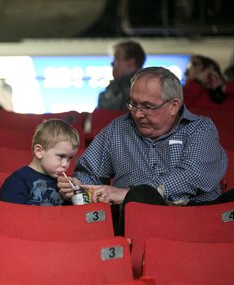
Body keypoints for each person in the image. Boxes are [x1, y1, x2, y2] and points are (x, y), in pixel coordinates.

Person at [59, 66, 232, 235]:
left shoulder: (200, 128)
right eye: (133, 104)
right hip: (135, 216)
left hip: (196, 218)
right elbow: (89, 175)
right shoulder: (116, 130)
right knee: (140, 197)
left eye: (147, 106)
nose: (138, 114)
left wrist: (126, 193)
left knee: (140, 193)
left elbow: (193, 175)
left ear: (173, 106)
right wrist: (78, 187)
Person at [0, 119, 80, 206]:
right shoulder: (17, 181)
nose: (65, 164)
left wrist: (71, 198)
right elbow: (12, 215)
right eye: (61, 156)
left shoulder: (64, 186)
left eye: (69, 158)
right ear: (39, 151)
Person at [97, 40, 146, 111]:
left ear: (131, 63)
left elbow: (107, 114)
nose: (112, 63)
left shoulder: (142, 92)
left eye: (116, 58)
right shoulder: (149, 88)